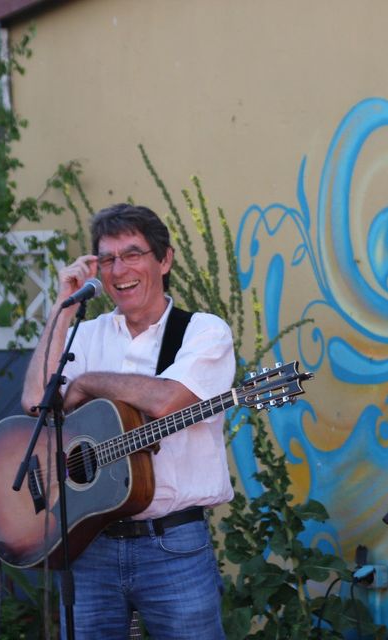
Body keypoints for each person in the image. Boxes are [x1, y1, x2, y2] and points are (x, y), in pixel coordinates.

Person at [21, 203, 234, 639]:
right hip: (89, 543)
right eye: (108, 259)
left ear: (165, 259)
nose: (120, 271)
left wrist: (88, 382)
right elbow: (34, 401)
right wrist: (64, 305)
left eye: (133, 254)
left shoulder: (202, 332)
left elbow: (168, 400)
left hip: (172, 546)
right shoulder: (86, 332)